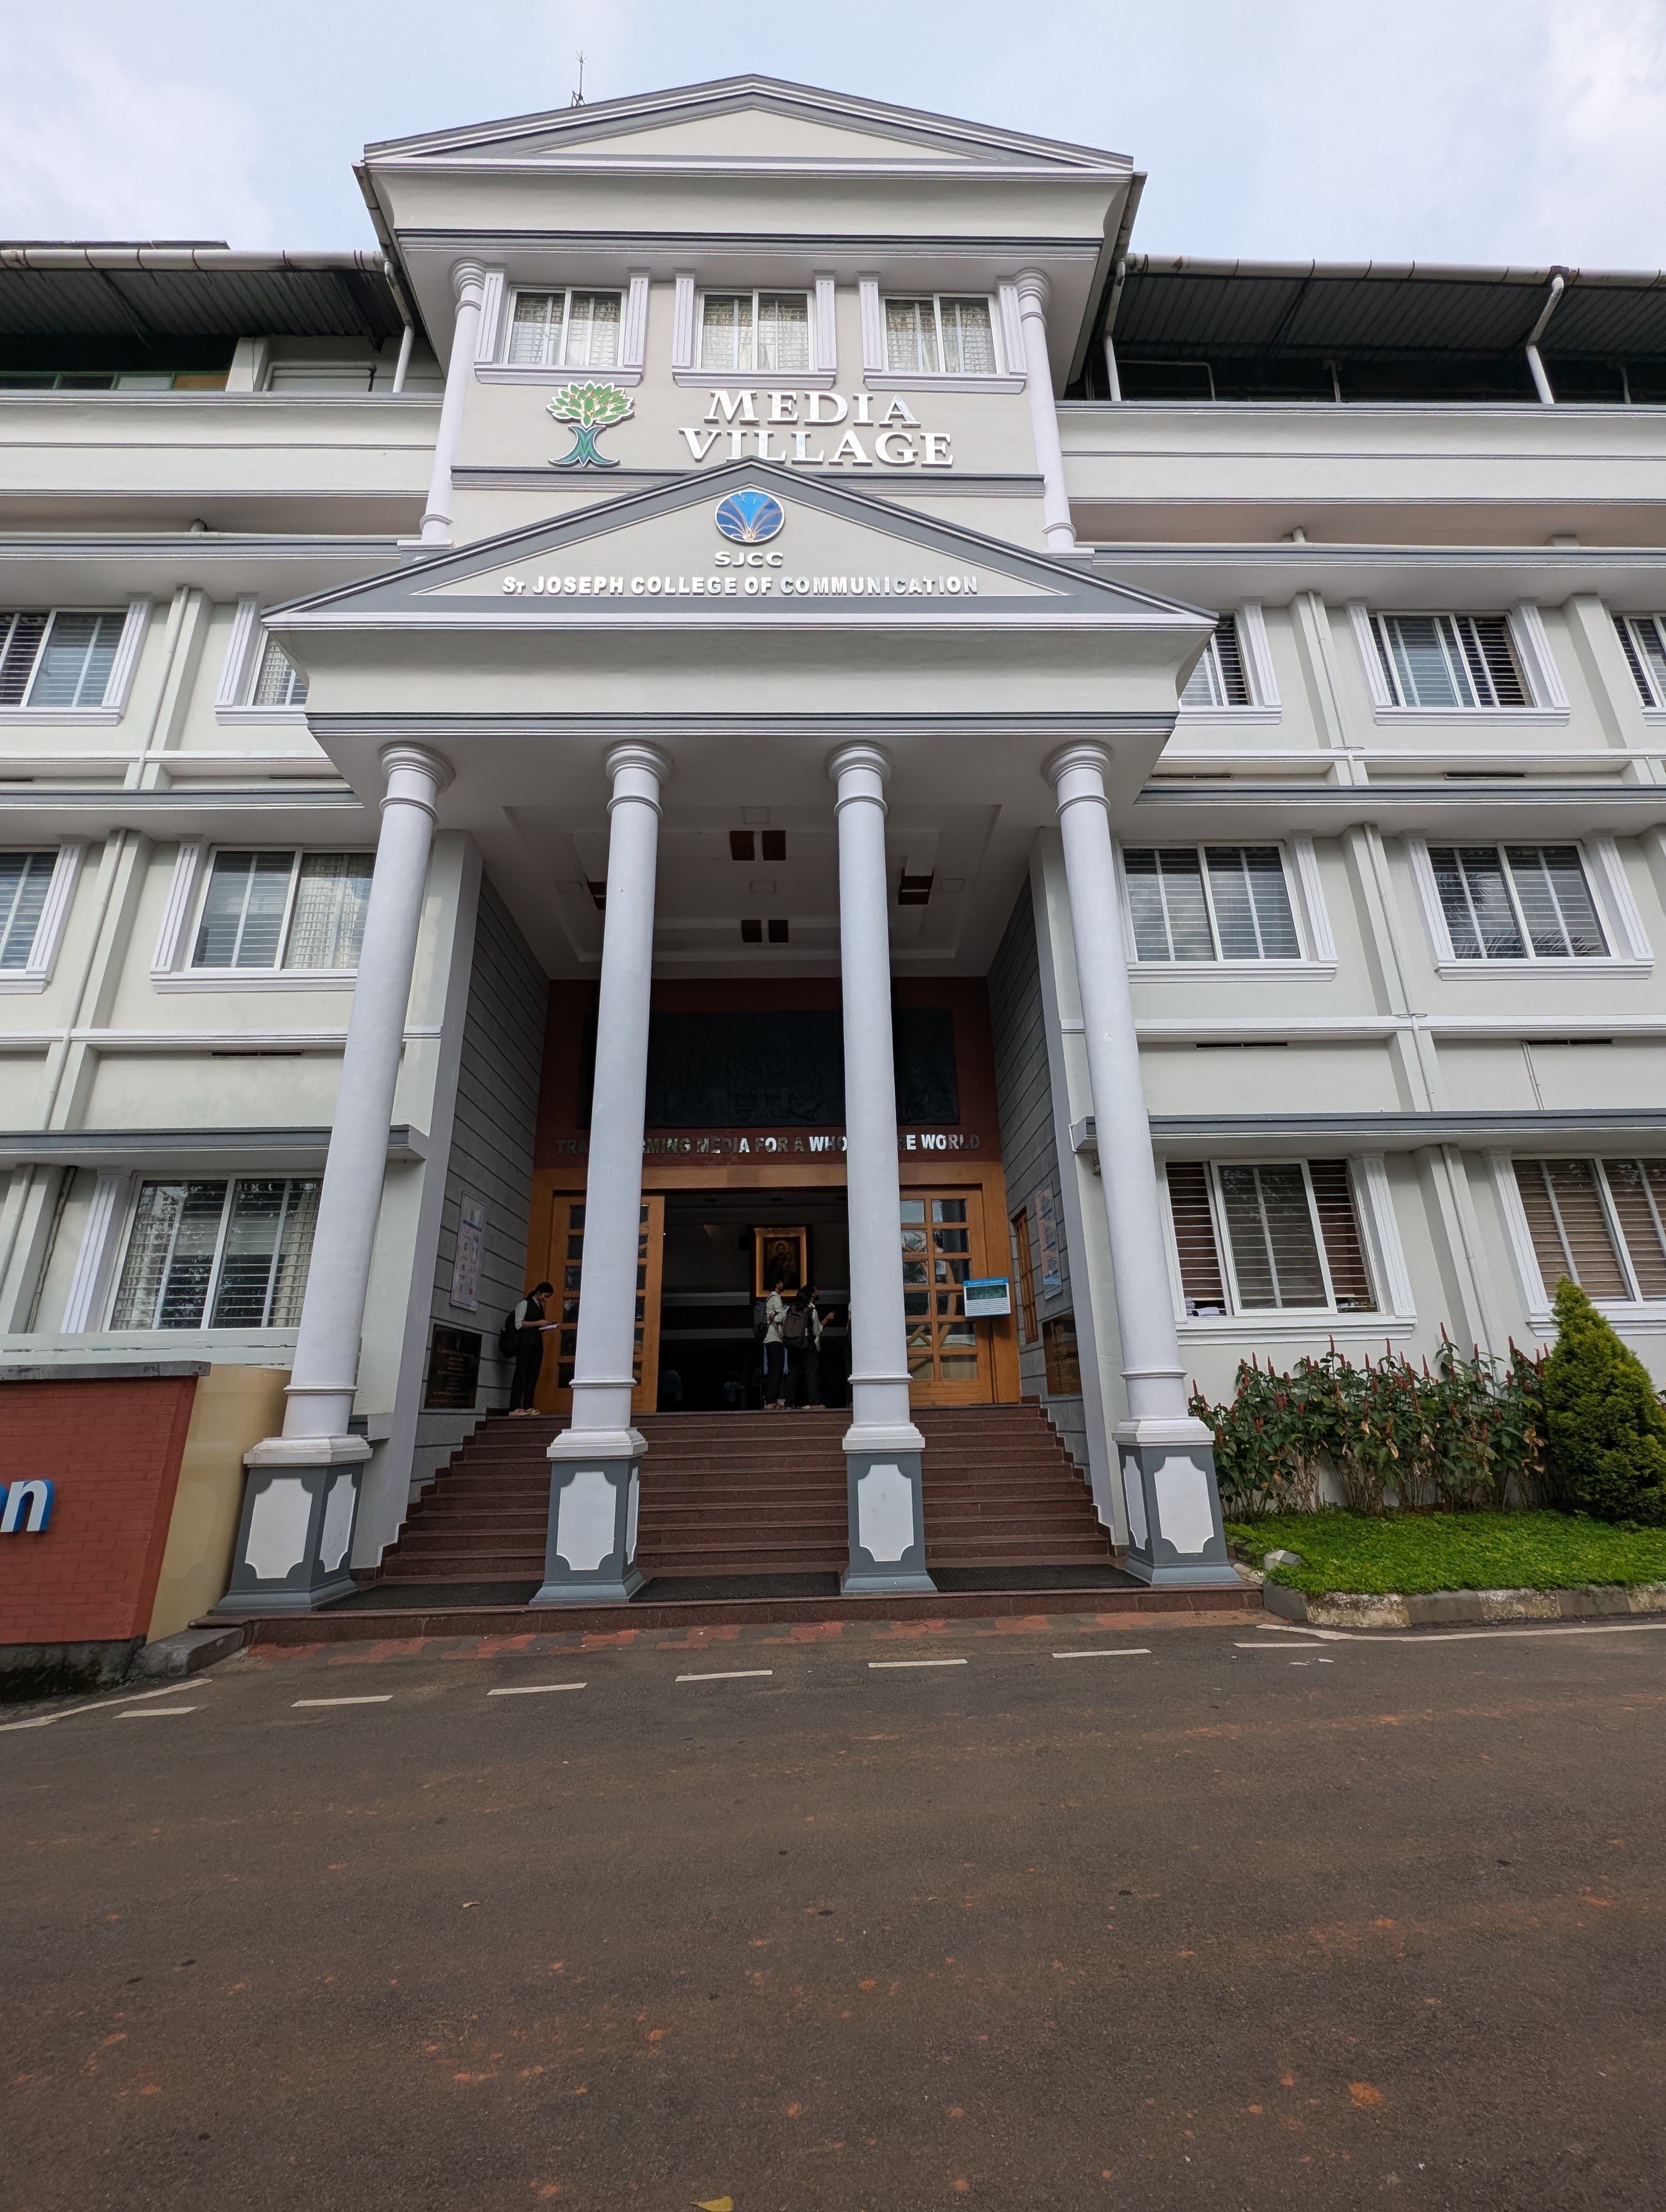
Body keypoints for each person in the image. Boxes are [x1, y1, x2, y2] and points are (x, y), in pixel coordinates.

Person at [509, 1281, 554, 1415]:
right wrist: (538, 1323)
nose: (545, 1300)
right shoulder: (525, 1304)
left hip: (536, 1344)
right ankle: (514, 1407)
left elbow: (538, 1326)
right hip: (525, 1343)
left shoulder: (540, 1307)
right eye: (545, 1296)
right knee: (520, 1373)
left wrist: (546, 1325)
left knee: (533, 1375)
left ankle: (529, 1405)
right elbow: (519, 1324)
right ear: (539, 1292)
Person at [783, 1284, 826, 1410]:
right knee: (811, 1373)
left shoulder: (790, 1309)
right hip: (807, 1344)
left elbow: (782, 1326)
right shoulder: (812, 1311)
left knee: (793, 1373)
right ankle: (814, 1403)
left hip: (792, 1344)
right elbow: (817, 1331)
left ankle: (789, 1404)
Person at [760, 1279, 789, 1409]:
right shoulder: (776, 1299)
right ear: (777, 1285)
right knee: (776, 1370)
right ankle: (772, 1401)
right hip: (775, 1338)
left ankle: (770, 1399)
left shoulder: (768, 1299)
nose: (783, 1285)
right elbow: (780, 1317)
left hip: (769, 1338)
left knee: (773, 1370)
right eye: (781, 1283)